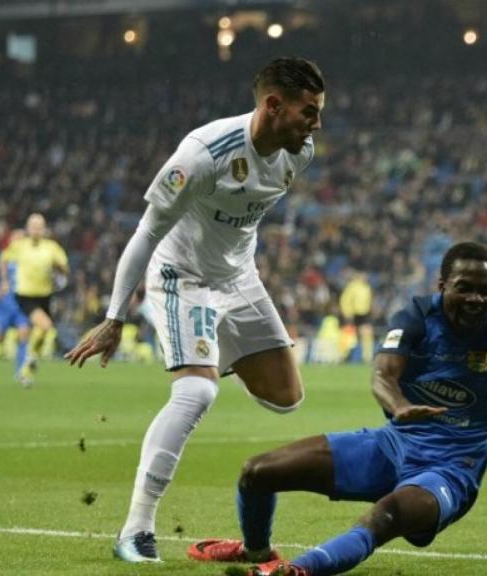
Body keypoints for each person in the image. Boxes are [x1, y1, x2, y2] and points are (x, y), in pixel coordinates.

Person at [186, 242, 487, 576]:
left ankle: (299, 571)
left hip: (451, 470)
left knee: (389, 514)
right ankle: (258, 551)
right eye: (465, 289)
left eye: (486, 291)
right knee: (257, 471)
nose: (477, 299)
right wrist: (398, 408)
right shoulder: (417, 316)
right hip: (393, 444)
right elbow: (383, 373)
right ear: (442, 286)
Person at [63, 57, 325, 563]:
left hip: (238, 277)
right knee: (197, 391)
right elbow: (147, 232)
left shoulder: (300, 153)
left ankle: (201, 353)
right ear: (273, 105)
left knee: (287, 396)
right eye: (308, 111)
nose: (316, 124)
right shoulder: (203, 153)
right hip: (181, 277)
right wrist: (115, 317)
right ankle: (135, 531)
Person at [0, 213, 69, 384]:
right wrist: (5, 280)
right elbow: (3, 259)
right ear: (28, 229)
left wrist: (59, 268)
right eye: (33, 227)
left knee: (42, 330)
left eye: (40, 227)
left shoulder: (52, 247)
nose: (36, 230)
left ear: (44, 230)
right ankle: (29, 361)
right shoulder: (20, 246)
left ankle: (29, 364)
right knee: (44, 326)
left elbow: (65, 269)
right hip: (25, 296)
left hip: (45, 295)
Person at [0, 229, 32, 385]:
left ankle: (21, 372)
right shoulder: (1, 257)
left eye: (22, 239)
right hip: (4, 305)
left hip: (22, 305)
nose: (19, 242)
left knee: (24, 333)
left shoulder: (29, 258)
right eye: (16, 239)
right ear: (10, 241)